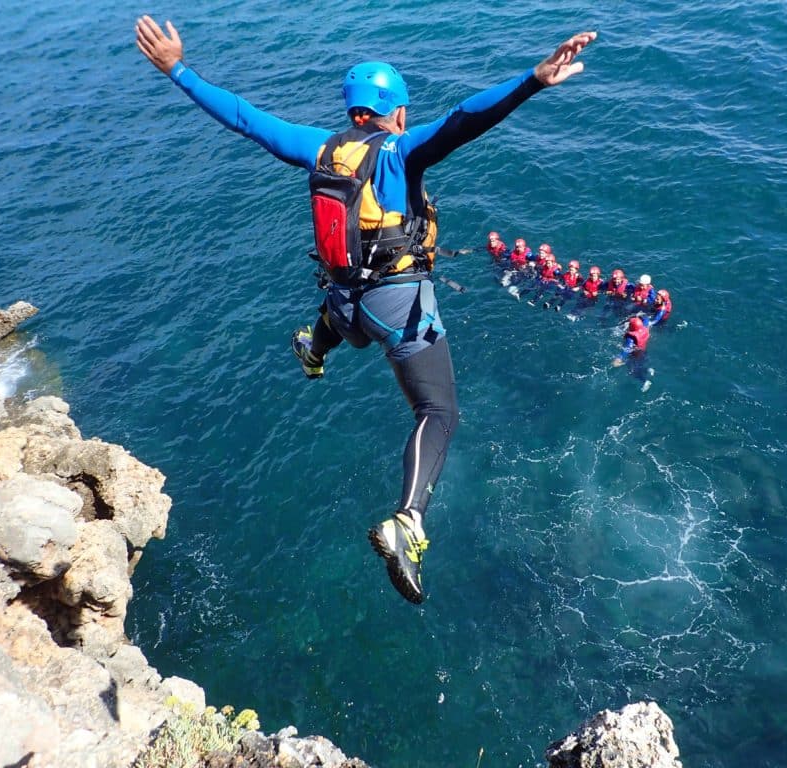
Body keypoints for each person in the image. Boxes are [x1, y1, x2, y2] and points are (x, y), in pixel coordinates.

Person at [135, 15, 597, 604]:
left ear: (352, 110)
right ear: (397, 112)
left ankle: (313, 345)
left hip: (344, 303)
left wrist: (177, 68)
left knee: (342, 326)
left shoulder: (319, 148)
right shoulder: (400, 152)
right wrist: (533, 79)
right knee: (439, 411)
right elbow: (463, 120)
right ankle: (408, 521)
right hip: (397, 307)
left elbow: (244, 117)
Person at [612, 315, 654, 391]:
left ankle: (645, 381)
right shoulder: (645, 328)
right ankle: (648, 369)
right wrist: (640, 316)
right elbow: (646, 318)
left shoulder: (631, 338)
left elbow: (627, 349)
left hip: (635, 354)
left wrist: (619, 358)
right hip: (643, 351)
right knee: (641, 362)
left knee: (632, 370)